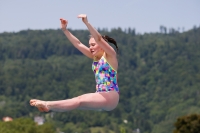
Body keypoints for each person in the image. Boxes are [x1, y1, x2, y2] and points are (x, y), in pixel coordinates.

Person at [30, 14, 119, 112]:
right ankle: (49, 108)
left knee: (79, 100)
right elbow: (78, 44)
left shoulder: (110, 55)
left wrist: (86, 23)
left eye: (93, 45)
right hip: (100, 95)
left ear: (102, 46)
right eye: (90, 45)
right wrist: (65, 30)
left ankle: (48, 104)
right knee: (74, 103)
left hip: (110, 95)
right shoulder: (95, 58)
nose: (90, 48)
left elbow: (98, 38)